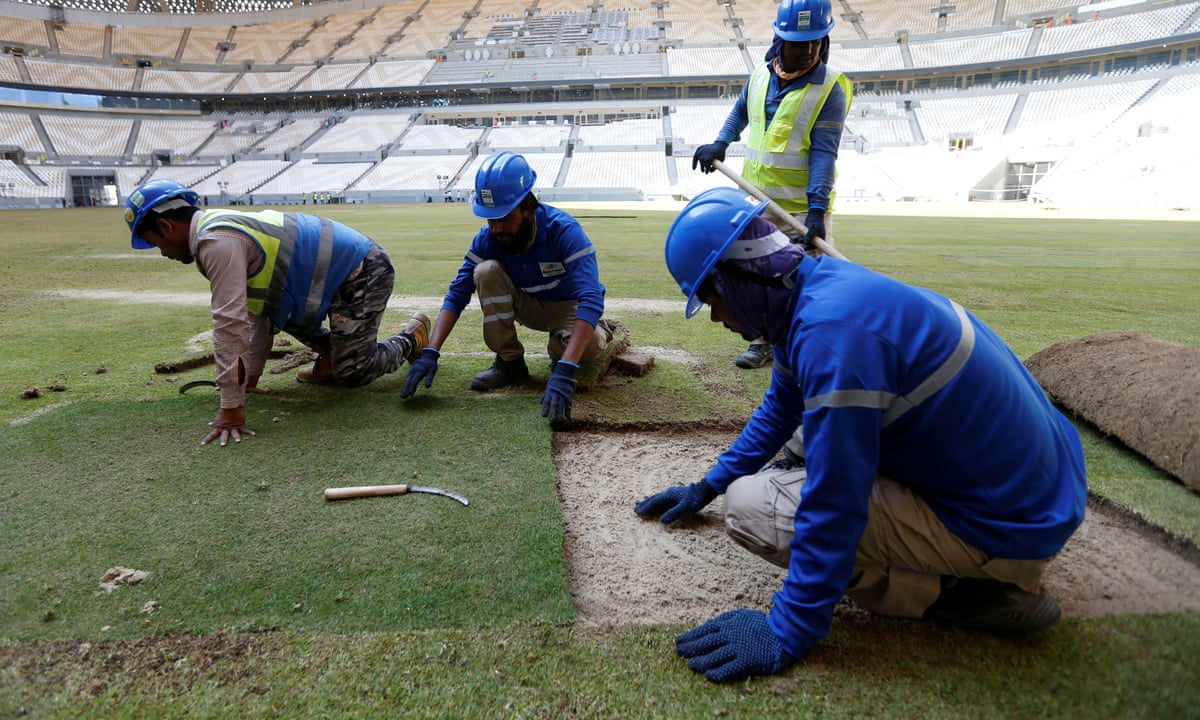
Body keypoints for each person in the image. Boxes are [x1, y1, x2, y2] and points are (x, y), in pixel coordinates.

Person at [635, 188, 1087, 683]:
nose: (717, 317)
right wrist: (707, 486)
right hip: (1037, 483)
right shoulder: (815, 291)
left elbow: (836, 499)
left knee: (752, 507)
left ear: (738, 278)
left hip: (1012, 522)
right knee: (797, 446)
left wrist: (787, 630)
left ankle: (970, 590)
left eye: (710, 297)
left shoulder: (831, 337)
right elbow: (779, 410)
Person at [123, 179, 430, 447]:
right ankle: (331, 357)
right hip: (329, 282)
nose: (163, 253)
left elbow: (230, 326)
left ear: (165, 226)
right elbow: (260, 313)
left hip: (362, 270)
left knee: (353, 373)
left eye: (155, 243)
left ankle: (410, 340)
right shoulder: (217, 228)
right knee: (279, 314)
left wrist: (231, 407)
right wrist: (249, 379)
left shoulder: (216, 241)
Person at [692, 0, 852, 370]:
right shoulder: (761, 75)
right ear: (779, 41)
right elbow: (741, 111)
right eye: (799, 42)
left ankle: (811, 347)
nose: (809, 49)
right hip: (754, 201)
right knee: (755, 274)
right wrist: (723, 141)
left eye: (816, 41)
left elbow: (824, 155)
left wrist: (815, 211)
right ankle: (763, 341)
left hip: (800, 207)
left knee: (805, 281)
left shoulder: (831, 89)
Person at [400, 151, 610, 422]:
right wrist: (431, 351)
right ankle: (510, 363)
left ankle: (598, 330)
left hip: (569, 305)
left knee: (585, 348)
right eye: (491, 219)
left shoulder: (564, 230)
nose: (497, 228)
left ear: (529, 208)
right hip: (527, 304)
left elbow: (591, 296)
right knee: (485, 271)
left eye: (505, 218)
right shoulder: (487, 240)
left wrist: (567, 365)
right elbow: (457, 294)